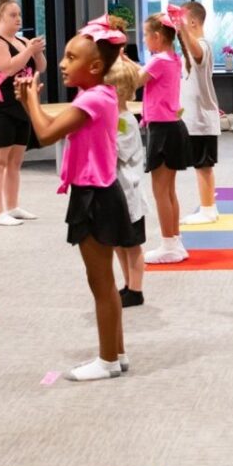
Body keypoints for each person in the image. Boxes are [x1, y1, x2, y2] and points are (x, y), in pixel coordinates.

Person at [22, 18, 140, 381]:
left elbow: (44, 134)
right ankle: (116, 353)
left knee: (100, 282)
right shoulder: (100, 95)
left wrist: (30, 98)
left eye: (70, 57)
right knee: (103, 281)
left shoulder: (92, 98)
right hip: (100, 193)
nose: (62, 63)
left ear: (93, 66)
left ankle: (106, 361)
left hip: (96, 197)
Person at [0, 0, 45, 225]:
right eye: (12, 15)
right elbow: (7, 68)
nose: (18, 19)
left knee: (15, 162)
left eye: (19, 14)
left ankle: (12, 206)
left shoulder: (21, 40)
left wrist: (36, 52)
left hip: (21, 105)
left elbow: (41, 66)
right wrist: (29, 50)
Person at [141, 11, 191, 264]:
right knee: (169, 190)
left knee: (160, 191)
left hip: (162, 129)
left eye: (145, 36)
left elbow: (134, 80)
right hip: (172, 127)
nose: (144, 41)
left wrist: (116, 60)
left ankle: (168, 244)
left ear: (157, 37)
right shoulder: (173, 58)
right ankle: (174, 241)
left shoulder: (158, 61)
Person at [105, 57, 150, 308]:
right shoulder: (114, 116)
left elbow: (116, 152)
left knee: (132, 244)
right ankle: (126, 283)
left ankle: (136, 289)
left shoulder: (125, 120)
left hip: (128, 191)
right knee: (118, 243)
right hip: (115, 191)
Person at [178, 1, 223, 226]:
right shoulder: (187, 49)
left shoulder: (202, 45)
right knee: (200, 164)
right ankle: (208, 207)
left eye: (182, 21)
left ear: (193, 22)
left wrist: (183, 29)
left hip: (201, 119)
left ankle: (207, 209)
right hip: (192, 119)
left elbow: (196, 51)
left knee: (203, 165)